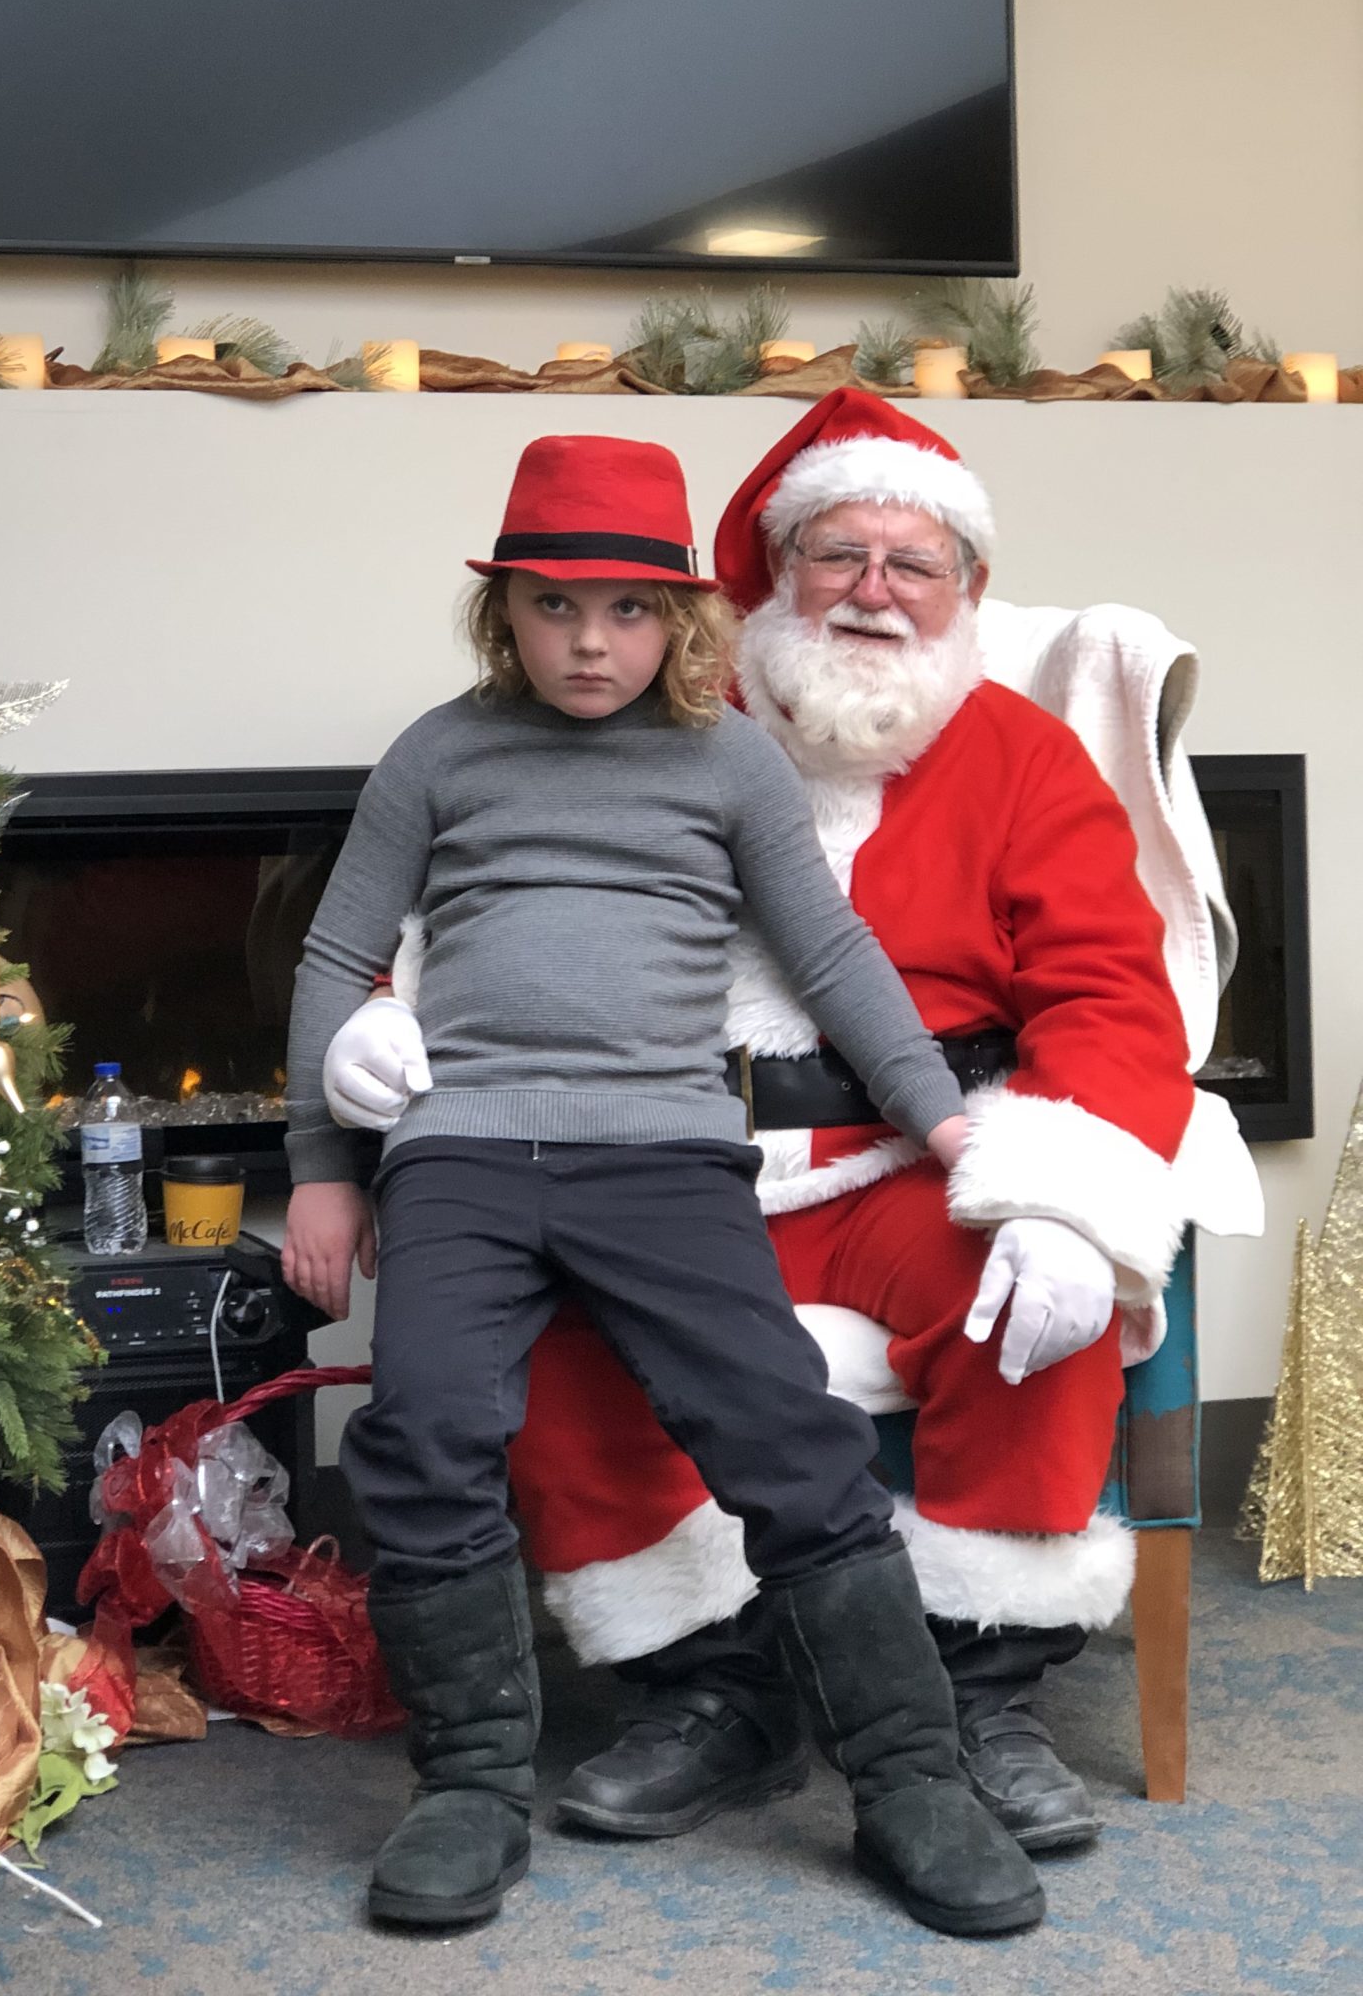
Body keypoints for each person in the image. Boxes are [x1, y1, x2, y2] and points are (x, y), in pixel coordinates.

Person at [323, 390, 1199, 1861]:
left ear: (968, 591)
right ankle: (710, 1695)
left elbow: (1113, 998)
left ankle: (980, 1693)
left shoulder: (1025, 761)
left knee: (1028, 1306)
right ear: (765, 580)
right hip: (663, 1153)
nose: (870, 592)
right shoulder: (642, 717)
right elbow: (466, 911)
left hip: (916, 1157)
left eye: (912, 564)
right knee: (547, 1326)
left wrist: (1058, 1192)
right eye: (835, 554)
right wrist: (378, 1019)